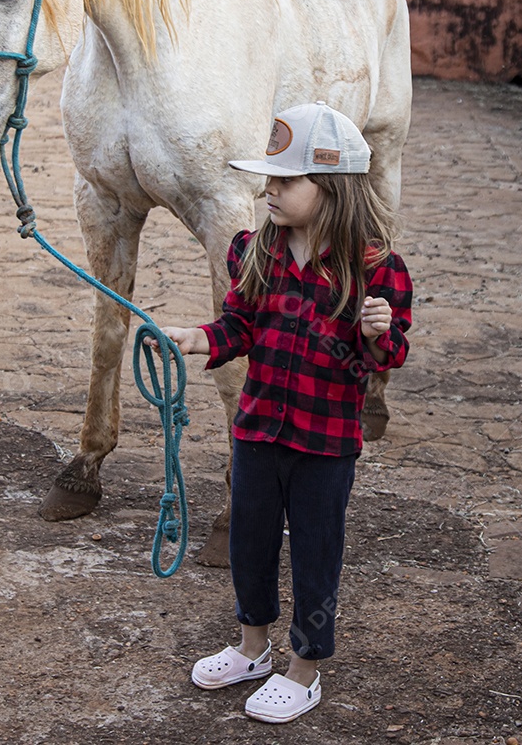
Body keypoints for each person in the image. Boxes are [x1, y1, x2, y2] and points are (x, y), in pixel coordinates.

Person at [152, 101, 412, 724]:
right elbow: (241, 325)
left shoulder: (376, 270)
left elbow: (387, 355)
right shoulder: (256, 250)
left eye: (286, 179)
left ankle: (304, 667)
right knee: (250, 540)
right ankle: (251, 649)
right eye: (269, 176)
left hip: (326, 445)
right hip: (259, 428)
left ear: (331, 188)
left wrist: (377, 332)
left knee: (317, 549)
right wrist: (199, 338)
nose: (268, 189)